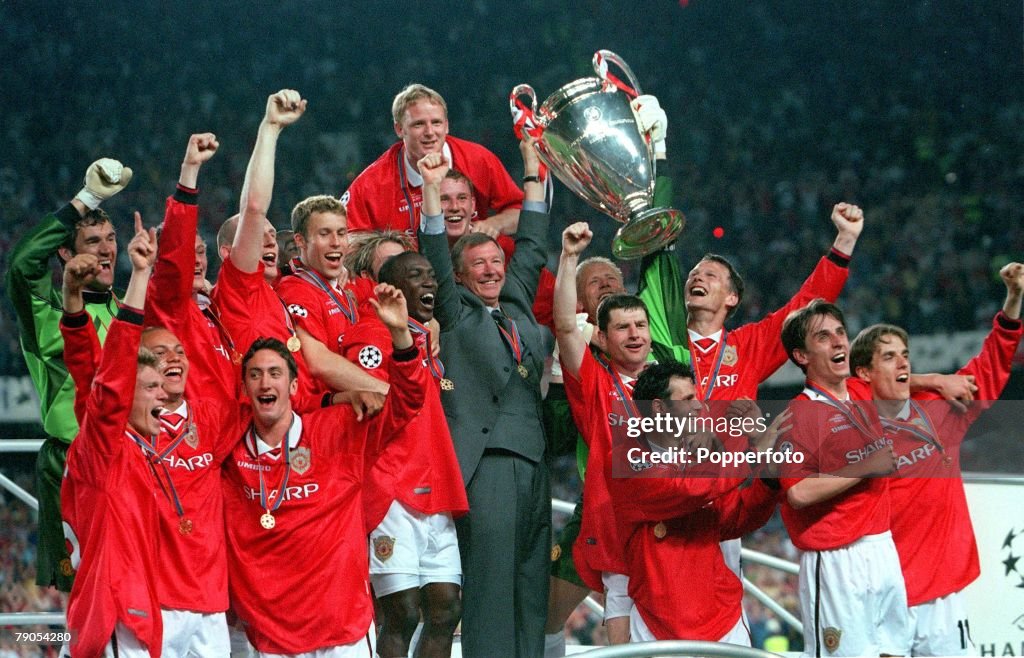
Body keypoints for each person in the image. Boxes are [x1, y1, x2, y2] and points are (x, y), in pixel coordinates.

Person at [221, 284, 429, 656]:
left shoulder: (338, 429)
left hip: (342, 630)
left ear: (294, 385)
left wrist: (401, 335)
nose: (265, 382)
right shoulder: (229, 447)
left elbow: (407, 403)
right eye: (254, 375)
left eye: (274, 373)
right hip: (270, 636)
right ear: (244, 388)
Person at [847, 262, 1024, 656]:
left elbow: (990, 368)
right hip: (882, 597)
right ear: (864, 372)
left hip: (942, 597)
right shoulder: (851, 428)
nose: (904, 363)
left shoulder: (939, 412)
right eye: (889, 357)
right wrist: (932, 377)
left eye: (905, 355)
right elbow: (836, 387)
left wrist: (1013, 299)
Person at [418, 136, 550, 657]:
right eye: (480, 265)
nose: (493, 269)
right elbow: (433, 249)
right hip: (487, 464)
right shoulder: (453, 312)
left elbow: (534, 246)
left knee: (529, 589)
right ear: (461, 275)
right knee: (492, 592)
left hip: (534, 460)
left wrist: (533, 170)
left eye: (497, 261)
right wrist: (432, 189)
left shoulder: (516, 303)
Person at [6, 156, 130, 592]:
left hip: (133, 462)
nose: (105, 249)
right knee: (83, 595)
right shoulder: (47, 314)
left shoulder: (129, 310)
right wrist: (86, 199)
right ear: (65, 251)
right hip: (71, 463)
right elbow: (22, 264)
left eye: (111, 239)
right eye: (92, 240)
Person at [341, 250, 468, 658]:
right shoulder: (371, 337)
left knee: (447, 610)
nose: (429, 283)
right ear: (393, 287)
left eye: (431, 276)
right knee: (402, 613)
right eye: (416, 276)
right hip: (394, 487)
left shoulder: (422, 340)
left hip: (434, 488)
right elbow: (378, 413)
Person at [613, 360, 784, 643]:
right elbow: (687, 490)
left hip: (723, 623)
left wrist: (769, 476)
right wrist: (752, 456)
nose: (698, 406)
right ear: (658, 408)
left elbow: (736, 518)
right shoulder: (628, 459)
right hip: (657, 627)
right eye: (688, 398)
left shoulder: (703, 460)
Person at [778, 300, 909, 657]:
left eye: (840, 333)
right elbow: (798, 493)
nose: (839, 342)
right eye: (824, 337)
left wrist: (939, 378)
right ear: (802, 355)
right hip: (836, 559)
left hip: (882, 548)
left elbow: (900, 383)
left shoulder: (863, 393)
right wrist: (865, 466)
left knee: (893, 651)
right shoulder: (798, 415)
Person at [59, 214, 163, 657]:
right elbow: (111, 376)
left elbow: (89, 375)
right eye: (152, 387)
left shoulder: (113, 445)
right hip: (117, 618)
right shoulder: (107, 449)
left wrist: (73, 304)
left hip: (97, 615)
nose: (163, 395)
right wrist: (139, 276)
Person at [552, 221, 654, 646]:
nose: (633, 334)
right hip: (604, 506)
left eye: (614, 279)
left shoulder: (665, 376)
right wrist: (569, 257)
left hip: (661, 507)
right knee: (608, 597)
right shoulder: (592, 375)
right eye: (597, 284)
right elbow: (563, 328)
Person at [342, 83, 523, 239]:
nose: (430, 132)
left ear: (447, 125)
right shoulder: (371, 185)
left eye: (436, 123)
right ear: (399, 129)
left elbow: (522, 212)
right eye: (418, 124)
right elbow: (344, 238)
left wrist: (495, 223)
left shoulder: (478, 159)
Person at [145, 133, 237, 402]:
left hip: (230, 436)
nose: (197, 262)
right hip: (193, 436)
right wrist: (190, 171)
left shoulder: (211, 307)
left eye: (201, 252)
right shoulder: (167, 303)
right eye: (189, 255)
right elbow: (176, 261)